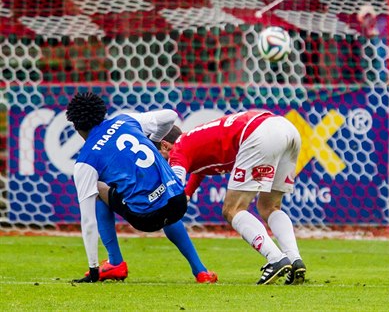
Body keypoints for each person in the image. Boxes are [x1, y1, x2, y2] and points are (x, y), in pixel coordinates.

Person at [66, 92, 217, 283]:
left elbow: (88, 221)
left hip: (146, 218)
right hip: (178, 201)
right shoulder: (125, 120)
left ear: (75, 126)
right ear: (102, 113)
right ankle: (201, 271)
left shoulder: (85, 161)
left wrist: (93, 268)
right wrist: (154, 143)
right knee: (161, 192)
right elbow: (170, 115)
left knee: (96, 190)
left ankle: (115, 263)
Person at [156, 110, 306, 285]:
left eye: (157, 155)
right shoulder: (191, 142)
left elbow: (174, 184)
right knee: (270, 207)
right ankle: (295, 260)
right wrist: (188, 193)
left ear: (165, 145)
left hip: (259, 133)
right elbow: (198, 172)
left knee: (232, 210)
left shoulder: (177, 150)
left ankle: (275, 259)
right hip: (287, 129)